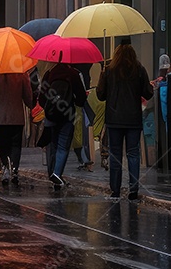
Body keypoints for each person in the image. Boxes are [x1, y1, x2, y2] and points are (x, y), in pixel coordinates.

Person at [97, 43, 153, 200]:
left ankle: (115, 189)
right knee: (133, 153)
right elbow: (148, 93)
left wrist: (102, 76)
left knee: (115, 154)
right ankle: (133, 189)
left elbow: (101, 95)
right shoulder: (139, 70)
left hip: (114, 119)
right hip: (133, 119)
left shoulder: (109, 70)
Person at [38, 59, 87, 188]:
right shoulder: (73, 74)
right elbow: (81, 98)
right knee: (63, 146)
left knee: (52, 145)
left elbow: (41, 98)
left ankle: (53, 174)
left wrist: (49, 108)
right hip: (67, 115)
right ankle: (57, 174)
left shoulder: (49, 73)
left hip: (51, 116)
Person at [0, 70, 33, 184]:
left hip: (1, 118)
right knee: (16, 145)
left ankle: (6, 168)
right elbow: (28, 99)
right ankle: (15, 169)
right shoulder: (22, 76)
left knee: (3, 145)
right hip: (17, 117)